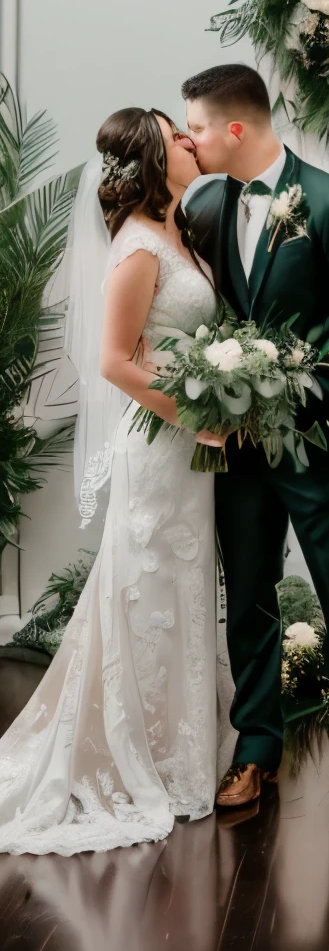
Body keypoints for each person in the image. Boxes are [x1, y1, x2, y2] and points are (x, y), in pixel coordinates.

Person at [0, 108, 226, 855]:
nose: (193, 142)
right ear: (155, 160)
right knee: (147, 588)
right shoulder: (137, 247)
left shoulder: (179, 234)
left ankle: (183, 744)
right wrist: (196, 418)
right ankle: (147, 754)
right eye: (178, 137)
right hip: (160, 449)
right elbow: (114, 360)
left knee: (182, 587)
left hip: (186, 452)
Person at [182, 63, 329, 831]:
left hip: (314, 438)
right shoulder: (205, 202)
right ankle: (256, 747)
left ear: (235, 129)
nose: (191, 140)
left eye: (197, 127)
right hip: (235, 440)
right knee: (251, 596)